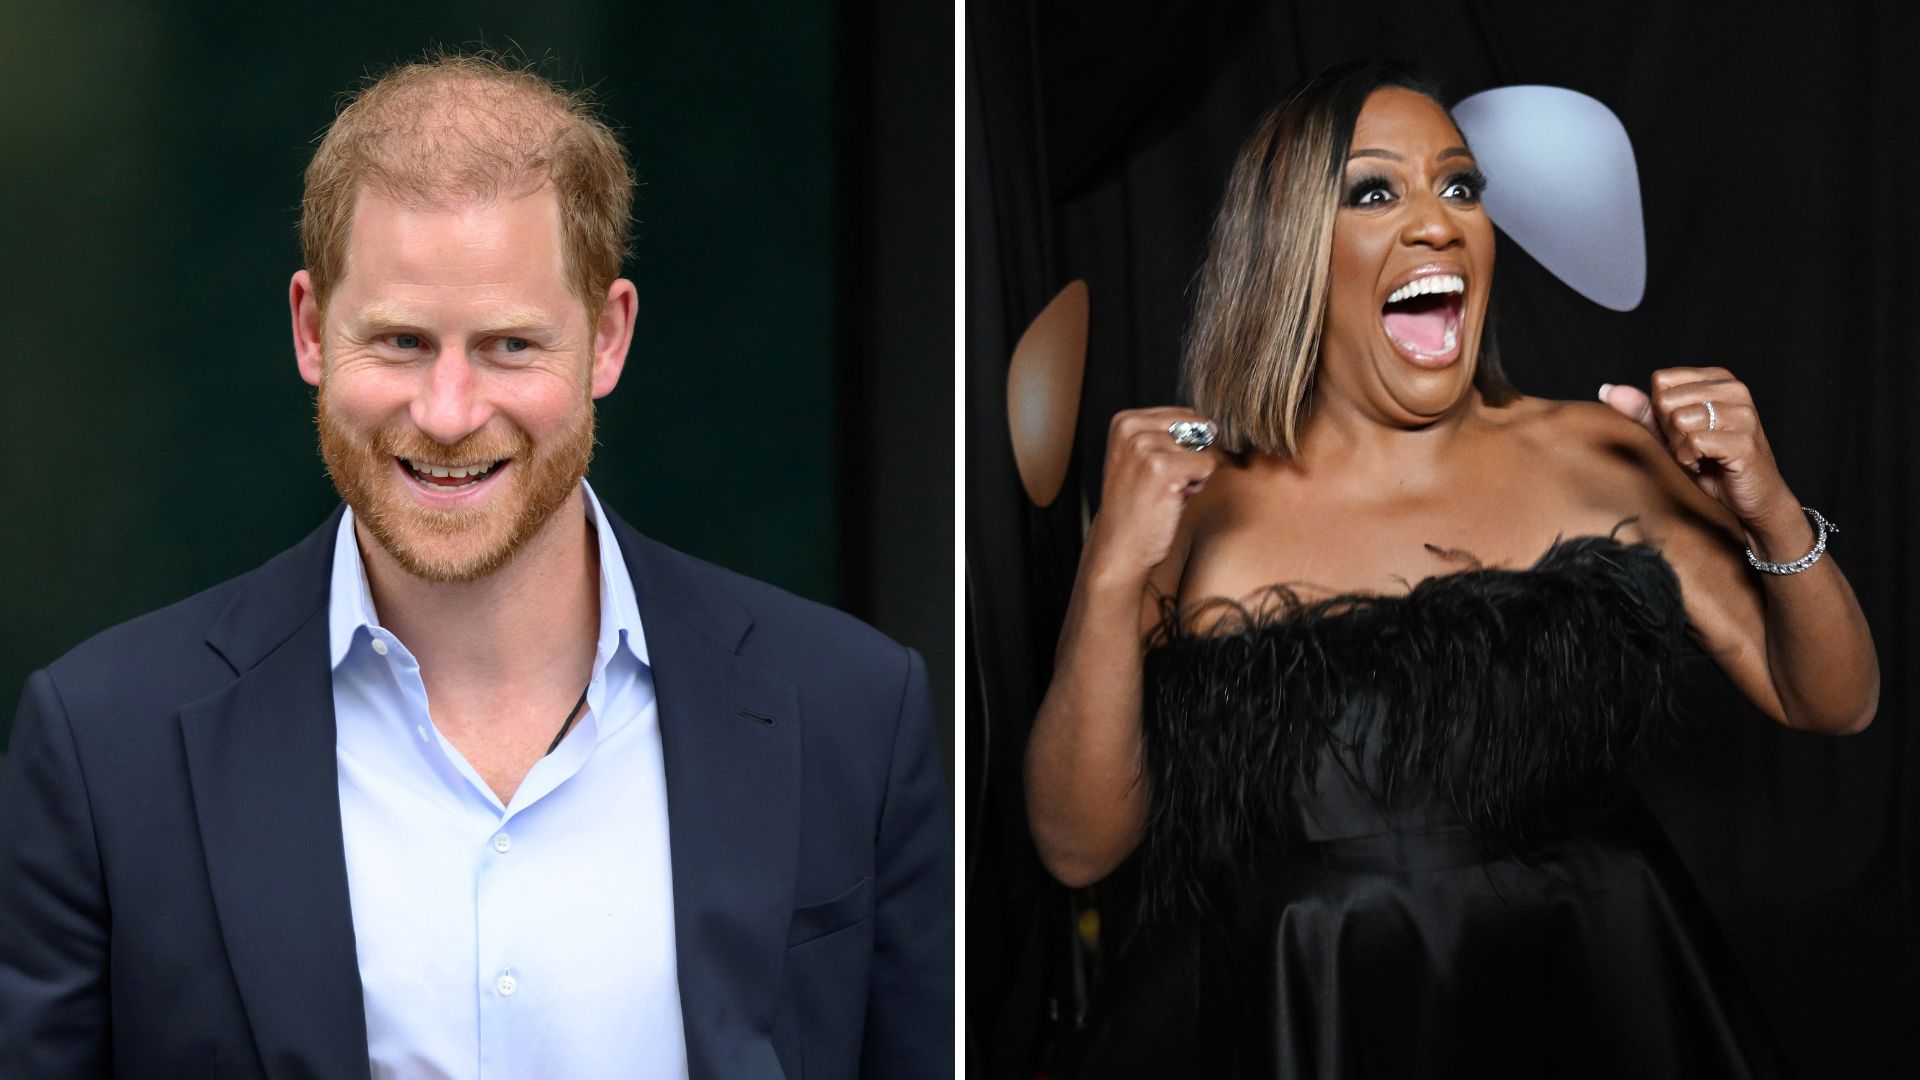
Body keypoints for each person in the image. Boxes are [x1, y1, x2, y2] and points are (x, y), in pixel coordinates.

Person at [0, 54, 951, 1080]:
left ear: (608, 338)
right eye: (403, 340)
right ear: (312, 331)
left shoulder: (853, 709)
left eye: (508, 345)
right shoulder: (101, 747)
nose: (448, 413)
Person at [1024, 60, 1876, 1078]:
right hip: (1319, 1014)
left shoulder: (1598, 452)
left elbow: (1830, 699)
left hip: (1596, 999)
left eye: (1461, 186)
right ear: (1292, 248)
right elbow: (1078, 848)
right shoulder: (1196, 503)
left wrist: (1770, 507)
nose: (1440, 223)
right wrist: (1112, 572)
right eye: (1376, 190)